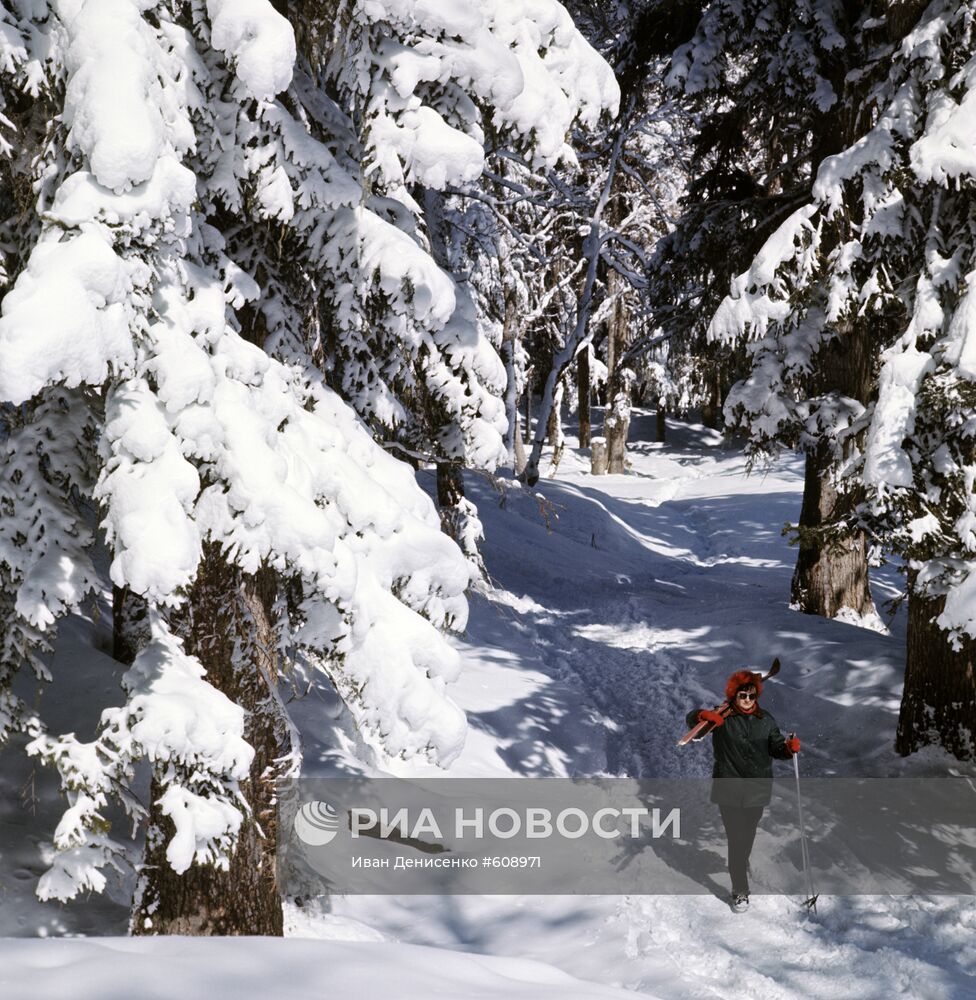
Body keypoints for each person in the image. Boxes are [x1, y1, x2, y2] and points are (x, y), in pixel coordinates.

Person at [686, 669, 800, 912]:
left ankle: (739, 863)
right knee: (736, 839)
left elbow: (776, 748)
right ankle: (740, 890)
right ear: (734, 695)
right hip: (729, 787)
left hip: (757, 789)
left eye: (751, 695)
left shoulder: (766, 720)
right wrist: (702, 715)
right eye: (742, 695)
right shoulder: (722, 717)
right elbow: (693, 721)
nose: (747, 700)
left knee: (746, 836)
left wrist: (789, 748)